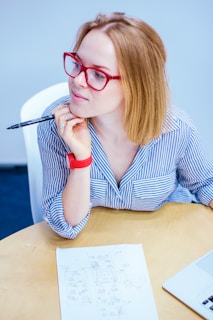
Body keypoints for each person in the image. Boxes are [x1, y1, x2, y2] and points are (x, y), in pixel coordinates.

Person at [38, 12, 213, 239]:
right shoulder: (56, 128)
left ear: (135, 85)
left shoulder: (177, 130)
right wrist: (81, 160)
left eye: (98, 75)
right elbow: (64, 225)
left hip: (165, 241)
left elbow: (205, 184)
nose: (77, 80)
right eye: (78, 63)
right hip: (95, 247)